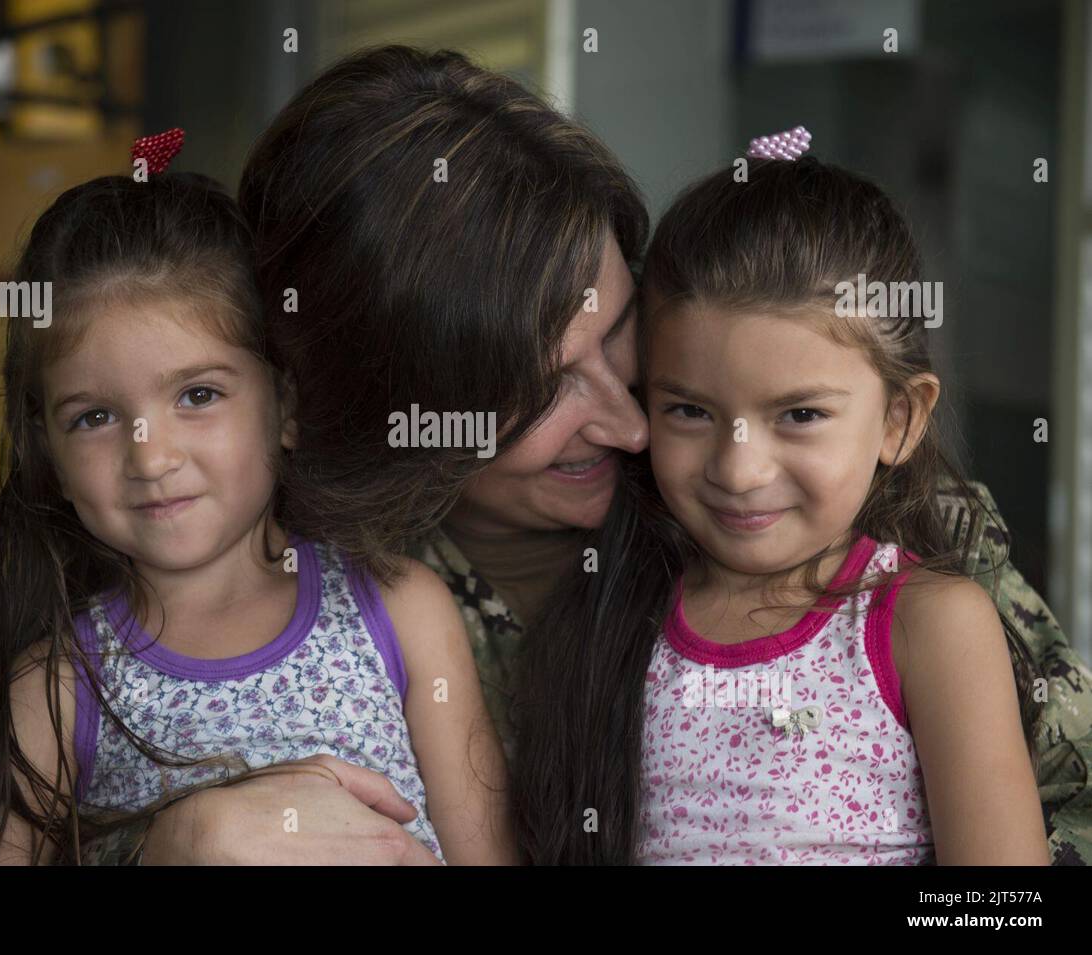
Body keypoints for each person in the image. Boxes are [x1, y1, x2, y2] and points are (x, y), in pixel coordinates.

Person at [84, 46, 1092, 866]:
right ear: (379, 420)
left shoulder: (868, 522)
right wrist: (163, 847)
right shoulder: (239, 577)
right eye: (540, 387)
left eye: (617, 333)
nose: (633, 424)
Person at [0, 166, 514, 865]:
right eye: (94, 416)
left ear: (285, 405)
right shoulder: (55, 687)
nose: (150, 457)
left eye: (198, 395)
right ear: (51, 455)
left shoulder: (399, 612)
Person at [514, 143, 1052, 864]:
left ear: (898, 420)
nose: (739, 469)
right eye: (690, 412)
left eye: (799, 415)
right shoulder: (615, 617)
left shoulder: (930, 625)